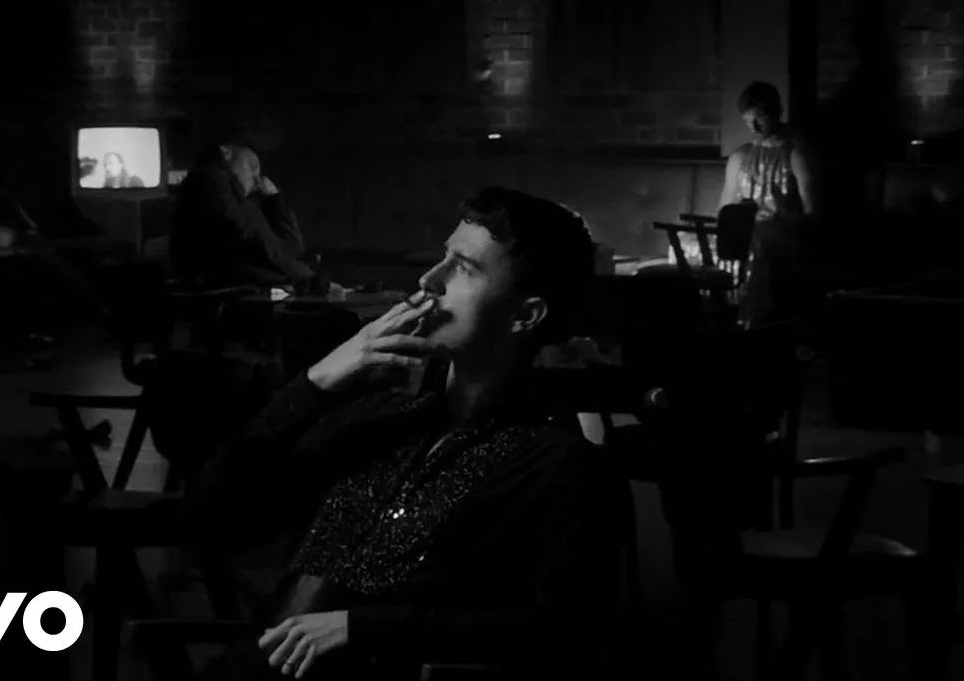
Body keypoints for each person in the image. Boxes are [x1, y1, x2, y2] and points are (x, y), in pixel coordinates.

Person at [185, 187, 627, 680]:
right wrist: (317, 382)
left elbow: (567, 631)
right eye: (444, 256)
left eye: (464, 268)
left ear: (525, 315)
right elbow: (211, 511)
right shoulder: (381, 418)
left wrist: (363, 627)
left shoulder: (560, 465)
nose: (429, 280)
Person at [718, 81, 819, 327]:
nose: (753, 127)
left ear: (775, 113)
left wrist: (783, 220)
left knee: (762, 239)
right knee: (744, 239)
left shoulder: (795, 154)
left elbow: (814, 213)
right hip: (745, 235)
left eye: (759, 119)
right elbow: (724, 209)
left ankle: (753, 318)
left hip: (782, 235)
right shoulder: (740, 157)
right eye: (747, 121)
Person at [171, 142, 314, 287]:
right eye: (251, 166)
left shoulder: (245, 203)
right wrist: (292, 270)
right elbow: (239, 234)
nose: (257, 178)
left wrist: (274, 201)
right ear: (225, 152)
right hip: (229, 281)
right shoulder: (209, 180)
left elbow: (294, 248)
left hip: (250, 276)